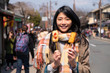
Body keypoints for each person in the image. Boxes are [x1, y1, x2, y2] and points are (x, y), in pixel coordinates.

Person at [34, 6, 90, 73]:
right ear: (55, 21)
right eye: (60, 19)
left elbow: (87, 70)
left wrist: (74, 64)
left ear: (72, 21)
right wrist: (54, 65)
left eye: (67, 19)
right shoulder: (46, 40)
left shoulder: (81, 41)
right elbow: (40, 70)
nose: (63, 23)